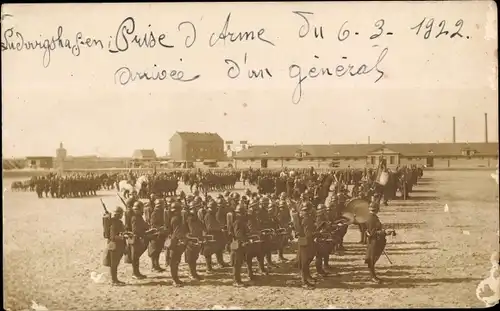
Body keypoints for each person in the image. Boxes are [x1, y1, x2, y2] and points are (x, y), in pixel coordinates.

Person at [365, 199, 386, 283]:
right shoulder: (371, 218)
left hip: (375, 240)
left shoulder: (372, 217)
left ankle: (373, 275)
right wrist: (384, 232)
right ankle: (372, 276)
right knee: (372, 258)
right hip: (373, 241)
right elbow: (371, 232)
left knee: (373, 258)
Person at [167, 202, 187, 286]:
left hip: (175, 241)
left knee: (176, 261)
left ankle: (176, 279)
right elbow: (178, 232)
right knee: (174, 262)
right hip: (175, 241)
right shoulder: (176, 219)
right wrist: (182, 239)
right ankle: (175, 280)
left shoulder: (175, 218)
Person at [185, 202, 204, 281]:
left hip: (197, 238)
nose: (195, 210)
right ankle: (192, 273)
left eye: (196, 208)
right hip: (191, 239)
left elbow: (200, 226)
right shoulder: (188, 218)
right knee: (191, 257)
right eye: (194, 208)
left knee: (195, 257)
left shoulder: (196, 217)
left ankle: (194, 272)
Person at [107, 207, 126, 286]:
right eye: (121, 213)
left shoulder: (118, 222)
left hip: (118, 245)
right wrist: (123, 237)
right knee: (114, 264)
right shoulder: (114, 223)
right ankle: (114, 280)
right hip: (114, 245)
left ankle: (115, 279)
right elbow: (112, 237)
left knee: (115, 263)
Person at [231, 204, 249, 287]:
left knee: (239, 262)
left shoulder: (240, 221)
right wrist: (245, 240)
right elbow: (238, 235)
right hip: (237, 243)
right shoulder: (238, 222)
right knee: (236, 262)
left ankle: (238, 280)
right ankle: (236, 281)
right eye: (243, 213)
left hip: (238, 243)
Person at [130, 202, 148, 279]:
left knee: (136, 257)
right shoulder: (135, 218)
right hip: (135, 239)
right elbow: (135, 230)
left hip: (137, 238)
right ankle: (135, 273)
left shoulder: (138, 217)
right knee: (135, 258)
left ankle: (137, 273)